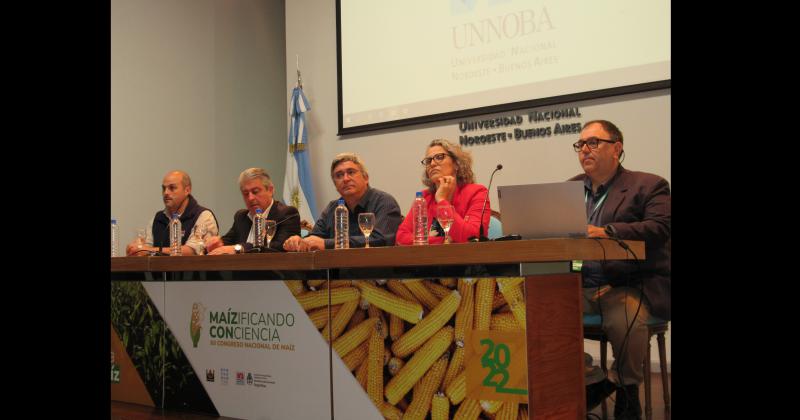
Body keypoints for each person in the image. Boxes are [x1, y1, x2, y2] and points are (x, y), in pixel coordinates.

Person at [574, 120, 671, 420]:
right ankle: (590, 377)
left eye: (593, 142)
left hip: (627, 285)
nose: (584, 150)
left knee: (625, 318)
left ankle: (624, 389)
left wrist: (608, 231)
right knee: (539, 313)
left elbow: (660, 226)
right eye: (580, 145)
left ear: (617, 148)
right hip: (578, 284)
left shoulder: (648, 185)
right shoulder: (569, 189)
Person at [282, 153, 402, 251]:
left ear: (366, 178)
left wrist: (327, 244)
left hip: (374, 274)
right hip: (336, 275)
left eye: (351, 172)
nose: (345, 179)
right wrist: (299, 241)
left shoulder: (384, 202)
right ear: (336, 185)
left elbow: (381, 240)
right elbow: (316, 237)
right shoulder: (332, 208)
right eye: (339, 175)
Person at [395, 139, 489, 245]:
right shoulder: (424, 198)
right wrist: (442, 241)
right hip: (428, 259)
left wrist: (442, 200)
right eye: (428, 161)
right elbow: (401, 237)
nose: (433, 163)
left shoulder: (477, 192)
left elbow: (472, 238)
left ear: (456, 164)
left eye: (439, 157)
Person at [205, 168, 300, 254]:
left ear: (270, 190)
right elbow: (227, 242)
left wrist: (240, 248)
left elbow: (278, 247)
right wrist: (217, 243)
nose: (250, 198)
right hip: (243, 271)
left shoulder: (287, 214)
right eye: (246, 194)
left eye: (255, 191)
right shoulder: (241, 216)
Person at [125, 170, 219, 256]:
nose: (166, 192)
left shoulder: (203, 216)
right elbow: (146, 248)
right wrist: (137, 249)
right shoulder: (157, 218)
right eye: (163, 188)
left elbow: (192, 251)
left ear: (187, 190)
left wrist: (149, 250)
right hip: (161, 273)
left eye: (172, 188)